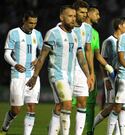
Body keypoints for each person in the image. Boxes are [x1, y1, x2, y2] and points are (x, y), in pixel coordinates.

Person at [26, 5, 92, 135]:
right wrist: (34, 76)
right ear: (62, 17)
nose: (73, 19)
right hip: (56, 74)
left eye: (74, 16)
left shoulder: (74, 34)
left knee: (60, 106)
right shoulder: (53, 33)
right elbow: (42, 57)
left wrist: (88, 76)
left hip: (70, 76)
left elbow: (81, 58)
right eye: (70, 16)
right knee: (67, 104)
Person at [0, 10, 43, 135]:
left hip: (33, 76)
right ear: (24, 21)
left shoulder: (38, 34)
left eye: (35, 23)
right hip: (18, 76)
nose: (33, 26)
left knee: (31, 107)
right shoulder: (13, 33)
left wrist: (37, 59)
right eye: (30, 23)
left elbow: (43, 52)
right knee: (16, 110)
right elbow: (7, 54)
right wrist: (15, 64)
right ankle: (5, 128)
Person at [92, 17, 125, 135]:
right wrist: (106, 79)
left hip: (123, 77)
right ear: (119, 26)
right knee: (112, 107)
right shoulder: (109, 41)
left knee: (121, 106)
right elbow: (102, 62)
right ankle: (91, 125)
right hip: (112, 78)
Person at [84, 6, 115, 135]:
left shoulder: (95, 33)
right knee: (66, 105)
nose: (99, 16)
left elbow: (97, 55)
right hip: (76, 72)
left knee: (90, 105)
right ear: (88, 14)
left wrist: (108, 67)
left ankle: (89, 131)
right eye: (96, 14)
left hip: (90, 74)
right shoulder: (76, 29)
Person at [71, 1, 95, 134]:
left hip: (82, 70)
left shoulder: (88, 28)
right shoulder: (65, 27)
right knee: (63, 105)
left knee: (82, 102)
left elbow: (88, 51)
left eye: (86, 12)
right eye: (81, 12)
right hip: (67, 69)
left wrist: (90, 73)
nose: (84, 15)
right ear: (74, 12)